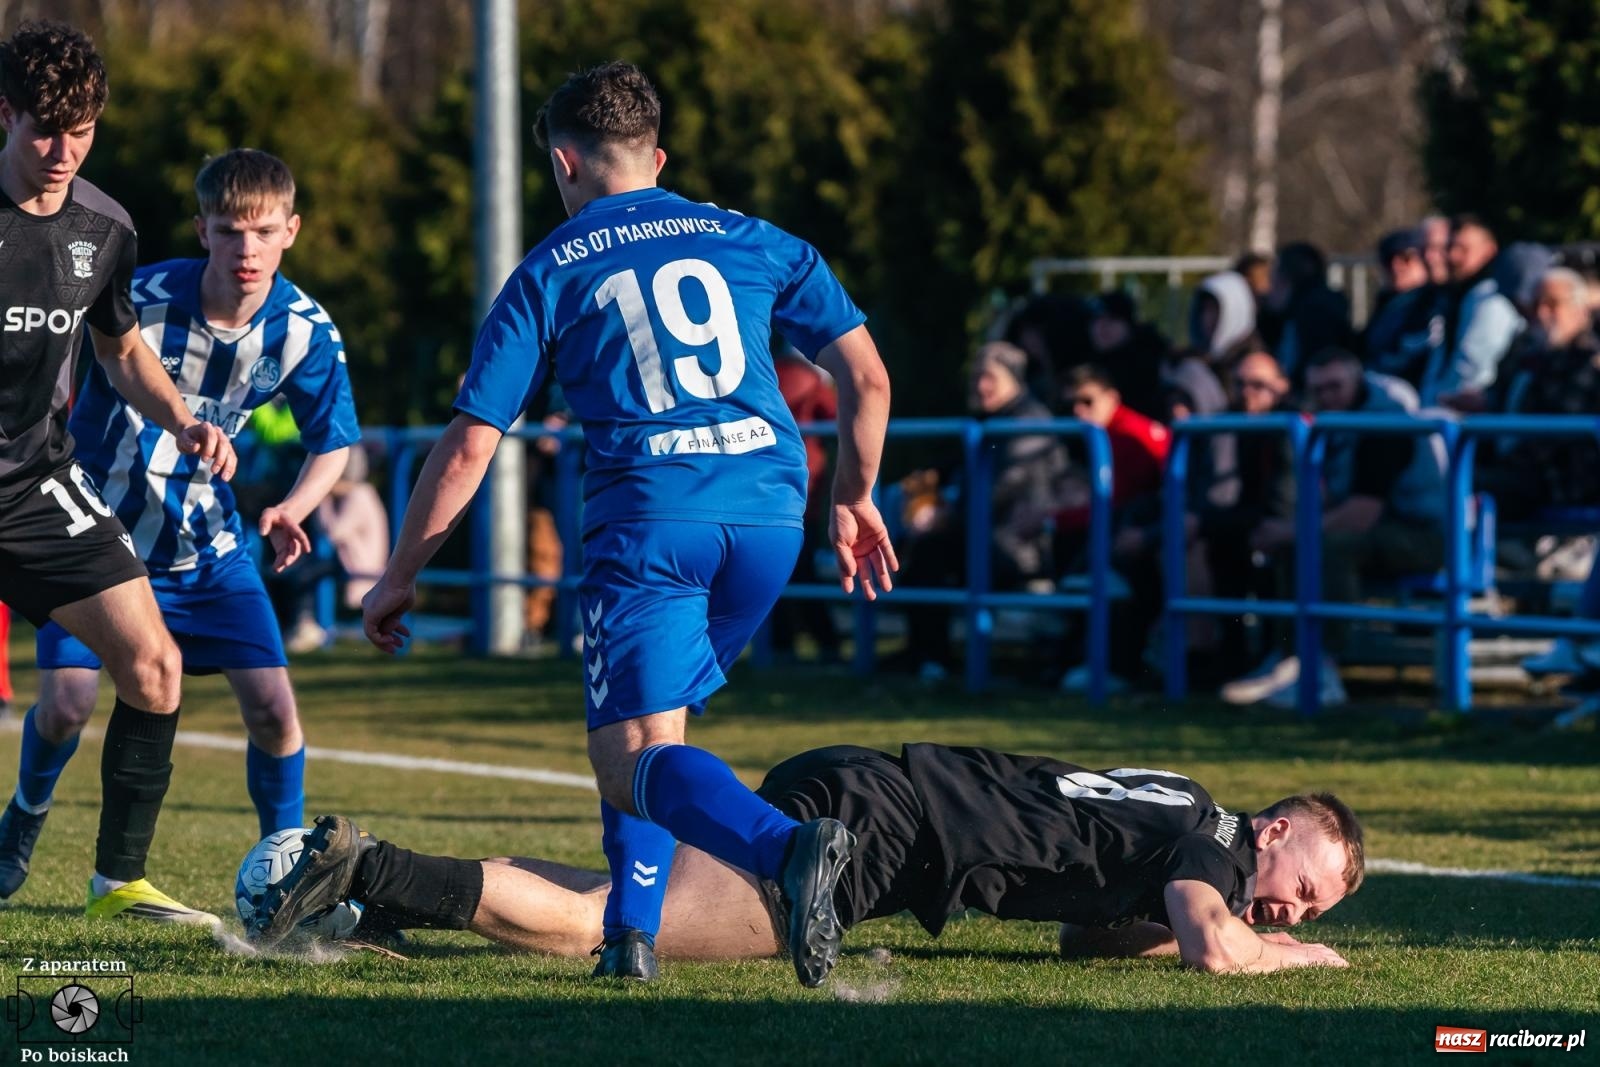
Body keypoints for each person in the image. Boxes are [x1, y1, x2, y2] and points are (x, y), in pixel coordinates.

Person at [340, 63, 896, 988]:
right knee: (649, 734)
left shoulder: (552, 266)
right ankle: (629, 940)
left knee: (631, 755)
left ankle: (791, 851)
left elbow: (471, 446)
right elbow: (867, 378)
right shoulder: (753, 237)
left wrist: (400, 573)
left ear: (564, 161)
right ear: (659, 157)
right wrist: (852, 493)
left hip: (653, 521)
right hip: (770, 514)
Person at [1, 148, 360, 905]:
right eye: (230, 231)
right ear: (202, 230)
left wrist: (293, 507)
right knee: (65, 703)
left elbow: (334, 443)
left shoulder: (305, 330)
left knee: (273, 709)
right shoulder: (142, 294)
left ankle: (288, 871)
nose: (247, 249)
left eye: (264, 231)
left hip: (208, 548)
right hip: (98, 529)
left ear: (292, 230)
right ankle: (24, 820)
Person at [252, 742, 1361, 975]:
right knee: (612, 928)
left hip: (869, 785)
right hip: (879, 843)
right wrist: (1311, 968)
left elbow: (1086, 936)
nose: (1291, 914)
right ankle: (367, 869)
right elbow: (1217, 949)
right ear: (1270, 830)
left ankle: (370, 890)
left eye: (1310, 916)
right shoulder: (1211, 845)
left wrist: (1159, 926)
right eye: (1301, 888)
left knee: (619, 893)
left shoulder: (1182, 803)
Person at [0, 21, 237, 921]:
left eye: (84, 129)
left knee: (154, 666)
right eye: (44, 131)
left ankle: (116, 883)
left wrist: (186, 419)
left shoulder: (104, 228)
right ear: (6, 115)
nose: (64, 152)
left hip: (30, 482)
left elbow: (121, 348)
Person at [1223, 348, 1447, 709]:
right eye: (1319, 389)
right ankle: (1288, 658)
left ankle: (1322, 667)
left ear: (1356, 378)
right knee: (1299, 545)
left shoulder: (1383, 422)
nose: (1327, 396)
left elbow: (1362, 514)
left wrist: (1290, 530)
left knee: (1327, 545)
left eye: (1335, 386)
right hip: (1384, 529)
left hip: (1424, 534)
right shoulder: (1330, 420)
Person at [894, 342, 1069, 680]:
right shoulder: (992, 420)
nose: (979, 385)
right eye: (975, 376)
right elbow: (950, 466)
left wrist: (945, 518)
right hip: (988, 537)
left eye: (989, 377)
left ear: (1015, 379)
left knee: (930, 552)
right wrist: (925, 484)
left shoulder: (1027, 422)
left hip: (1020, 546)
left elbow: (1001, 490)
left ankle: (932, 659)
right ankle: (926, 655)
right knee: (919, 550)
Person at [1421, 215, 1523, 408]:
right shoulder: (1456, 295)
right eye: (1450, 247)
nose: (1453, 256)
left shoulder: (1490, 299)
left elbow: (1474, 367)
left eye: (1463, 249)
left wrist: (1440, 404)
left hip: (1465, 415)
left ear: (1489, 251)